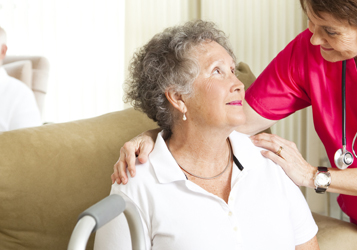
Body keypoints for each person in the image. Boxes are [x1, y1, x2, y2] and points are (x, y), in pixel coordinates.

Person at [111, 1, 357, 249]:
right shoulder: (310, 50)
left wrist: (311, 175)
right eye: (312, 22)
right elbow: (238, 117)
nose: (315, 39)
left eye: (330, 30)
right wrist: (160, 133)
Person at [95, 20, 319, 250]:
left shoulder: (268, 160)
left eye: (232, 70)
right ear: (179, 98)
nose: (238, 84)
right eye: (217, 71)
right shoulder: (136, 183)